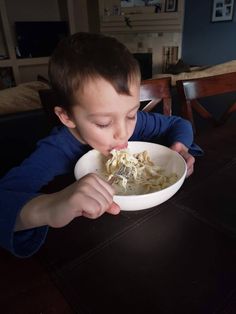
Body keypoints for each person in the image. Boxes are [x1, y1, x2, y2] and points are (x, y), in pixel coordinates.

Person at [0, 32, 203, 258]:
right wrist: (50, 206)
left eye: (131, 114)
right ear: (67, 117)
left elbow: (179, 124)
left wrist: (180, 147)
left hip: (155, 232)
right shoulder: (56, 149)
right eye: (103, 123)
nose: (123, 132)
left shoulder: (134, 125)